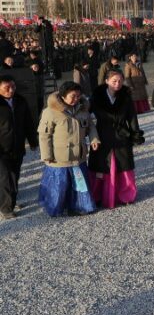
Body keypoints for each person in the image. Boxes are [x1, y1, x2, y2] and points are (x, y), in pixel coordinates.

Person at [37, 81, 100, 216]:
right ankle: (55, 208)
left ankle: (79, 206)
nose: (76, 99)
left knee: (79, 184)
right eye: (73, 96)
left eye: (78, 96)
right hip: (59, 158)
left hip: (78, 156)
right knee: (59, 186)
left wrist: (94, 139)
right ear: (63, 96)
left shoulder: (83, 108)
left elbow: (90, 126)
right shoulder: (50, 112)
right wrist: (46, 155)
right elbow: (44, 135)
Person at [88, 70, 144, 208]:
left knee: (123, 163)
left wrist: (135, 134)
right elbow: (86, 115)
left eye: (120, 81)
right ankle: (98, 194)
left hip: (121, 135)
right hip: (102, 134)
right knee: (101, 165)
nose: (117, 84)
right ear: (106, 81)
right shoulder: (96, 97)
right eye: (114, 81)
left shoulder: (126, 97)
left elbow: (132, 117)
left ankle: (125, 193)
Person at [0, 76, 38, 219]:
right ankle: (6, 208)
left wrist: (33, 141)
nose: (11, 90)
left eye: (13, 87)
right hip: (1, 148)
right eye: (7, 88)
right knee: (5, 178)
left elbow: (28, 121)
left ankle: (11, 200)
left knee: (15, 176)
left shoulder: (20, 100)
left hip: (17, 145)